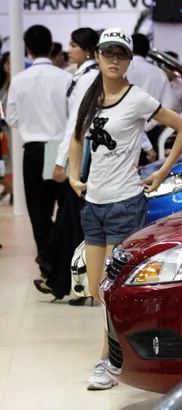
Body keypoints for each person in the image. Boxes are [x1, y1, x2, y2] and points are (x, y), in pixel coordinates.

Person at [69, 27, 182, 390]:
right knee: (95, 289)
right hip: (94, 205)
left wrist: (161, 172)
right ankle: (117, 353)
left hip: (125, 203)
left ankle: (109, 361)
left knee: (112, 290)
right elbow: (77, 137)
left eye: (120, 55)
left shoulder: (136, 98)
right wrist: (76, 178)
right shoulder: (90, 96)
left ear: (129, 61)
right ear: (97, 56)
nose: (113, 60)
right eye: (108, 53)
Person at [33, 27, 100, 304]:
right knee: (71, 220)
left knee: (72, 221)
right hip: (85, 158)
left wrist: (61, 163)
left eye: (73, 45)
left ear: (86, 49)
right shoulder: (83, 75)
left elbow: (76, 123)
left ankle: (67, 282)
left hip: (83, 160)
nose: (68, 50)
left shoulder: (88, 78)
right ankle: (65, 282)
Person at [7, 24, 71, 277]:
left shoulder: (18, 80)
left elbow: (12, 119)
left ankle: (47, 260)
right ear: (51, 46)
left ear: (28, 50)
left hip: (33, 150)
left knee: (38, 211)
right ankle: (64, 258)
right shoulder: (66, 78)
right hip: (61, 149)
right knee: (66, 208)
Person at [126, 33, 173, 162]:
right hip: (151, 132)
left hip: (124, 131)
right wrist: (149, 125)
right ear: (147, 51)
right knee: (148, 175)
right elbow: (168, 105)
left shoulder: (122, 70)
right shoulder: (159, 73)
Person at [0, 51, 12, 202]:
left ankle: (11, 190)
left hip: (12, 130)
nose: (9, 66)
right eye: (7, 63)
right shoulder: (3, 84)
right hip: (3, 130)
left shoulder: (17, 83)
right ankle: (10, 189)